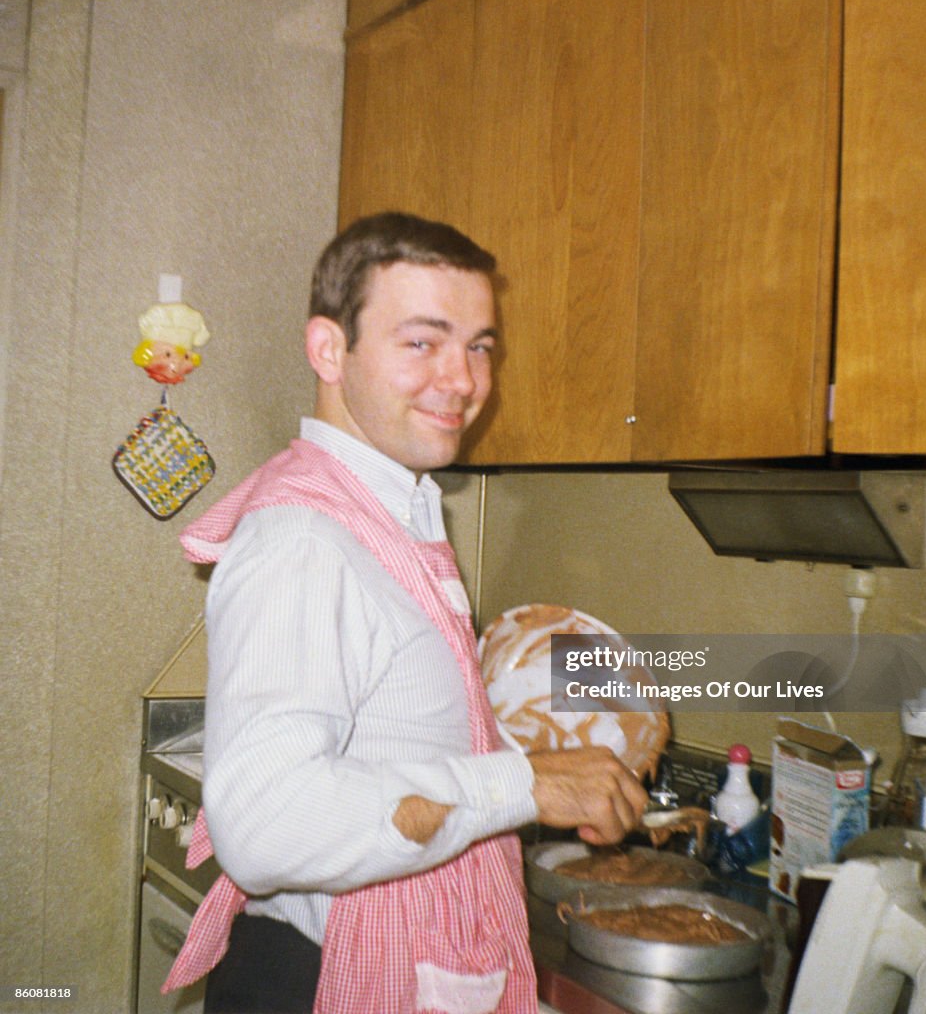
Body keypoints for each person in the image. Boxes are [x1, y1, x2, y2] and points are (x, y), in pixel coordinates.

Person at [164, 212, 648, 1014]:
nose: (461, 379)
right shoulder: (305, 541)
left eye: (479, 345)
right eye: (422, 342)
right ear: (329, 349)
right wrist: (526, 785)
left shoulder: (394, 510)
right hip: (311, 982)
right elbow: (263, 826)